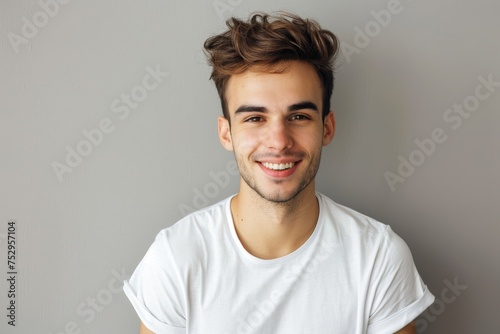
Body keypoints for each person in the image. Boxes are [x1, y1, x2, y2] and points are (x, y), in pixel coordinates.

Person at [123, 12, 435, 334]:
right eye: (255, 118)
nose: (279, 142)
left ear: (326, 128)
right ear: (226, 133)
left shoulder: (378, 258)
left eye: (298, 116)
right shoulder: (176, 257)